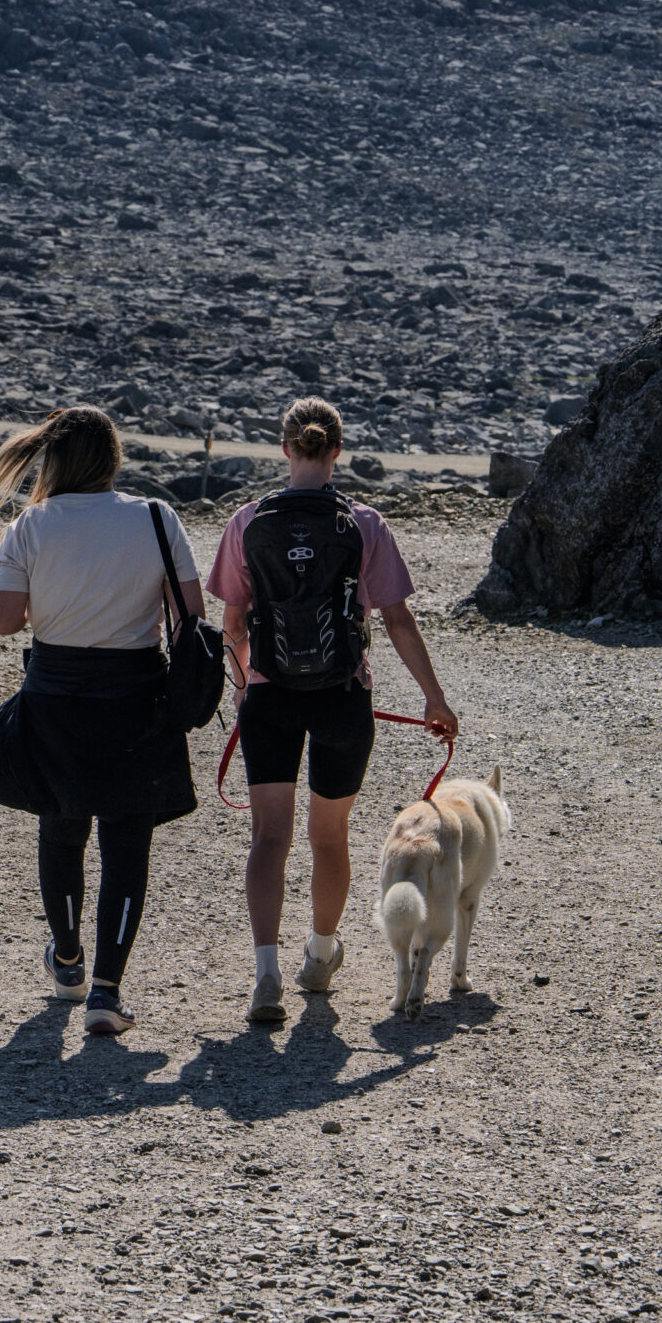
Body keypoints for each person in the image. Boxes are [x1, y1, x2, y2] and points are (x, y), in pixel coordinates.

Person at [209, 397, 457, 1026]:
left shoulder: (247, 522)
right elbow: (397, 619)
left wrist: (244, 686)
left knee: (269, 836)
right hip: (344, 697)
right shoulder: (364, 523)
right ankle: (320, 956)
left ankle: (266, 977)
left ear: (285, 449)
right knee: (330, 836)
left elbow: (232, 623)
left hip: (268, 695)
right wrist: (434, 698)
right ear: (337, 451)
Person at [0, 406, 206, 1037]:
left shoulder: (31, 525)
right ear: (114, 460)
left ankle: (69, 962)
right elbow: (193, 614)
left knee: (62, 832)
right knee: (126, 844)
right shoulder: (158, 518)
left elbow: (1, 621)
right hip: (136, 695)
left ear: (52, 460)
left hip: (55, 695)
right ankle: (107, 992)